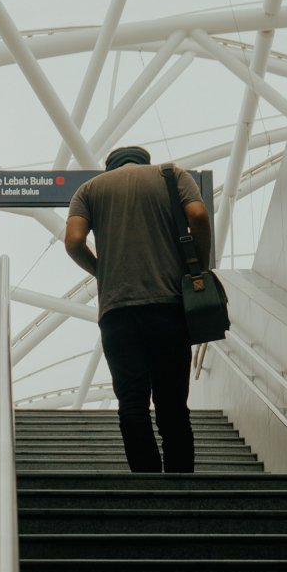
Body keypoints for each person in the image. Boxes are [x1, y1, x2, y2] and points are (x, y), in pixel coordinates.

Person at [65, 143, 210, 474]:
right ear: (145, 162)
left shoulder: (88, 190)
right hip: (169, 306)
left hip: (117, 312)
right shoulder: (172, 176)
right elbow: (199, 215)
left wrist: (101, 270)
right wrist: (199, 268)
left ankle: (146, 483)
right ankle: (181, 485)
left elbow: (73, 241)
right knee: (172, 405)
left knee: (132, 402)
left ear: (110, 167)